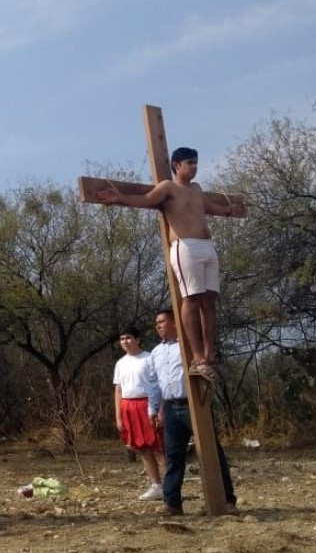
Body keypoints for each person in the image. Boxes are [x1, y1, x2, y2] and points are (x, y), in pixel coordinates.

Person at [96, 148, 242, 381]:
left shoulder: (196, 189)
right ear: (176, 165)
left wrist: (227, 210)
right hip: (186, 246)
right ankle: (197, 358)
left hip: (207, 246)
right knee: (192, 298)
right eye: (189, 163)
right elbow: (146, 199)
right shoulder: (168, 187)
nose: (194, 167)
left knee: (210, 301)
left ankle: (209, 354)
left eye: (196, 162)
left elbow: (209, 207)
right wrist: (120, 198)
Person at [148, 309, 238, 516]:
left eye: (161, 321)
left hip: (193, 404)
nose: (158, 326)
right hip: (171, 407)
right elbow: (154, 383)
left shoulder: (189, 346)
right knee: (173, 456)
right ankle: (172, 504)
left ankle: (226, 499)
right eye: (156, 323)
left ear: (174, 322)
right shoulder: (156, 352)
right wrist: (155, 408)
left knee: (211, 451)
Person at [112, 325, 165, 501]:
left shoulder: (149, 359)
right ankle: (156, 485)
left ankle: (170, 485)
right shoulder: (120, 363)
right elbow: (119, 390)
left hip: (148, 404)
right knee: (142, 447)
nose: (125, 342)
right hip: (129, 406)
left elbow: (158, 386)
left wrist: (159, 410)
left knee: (158, 446)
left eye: (128, 338)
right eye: (122, 339)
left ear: (137, 339)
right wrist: (119, 415)